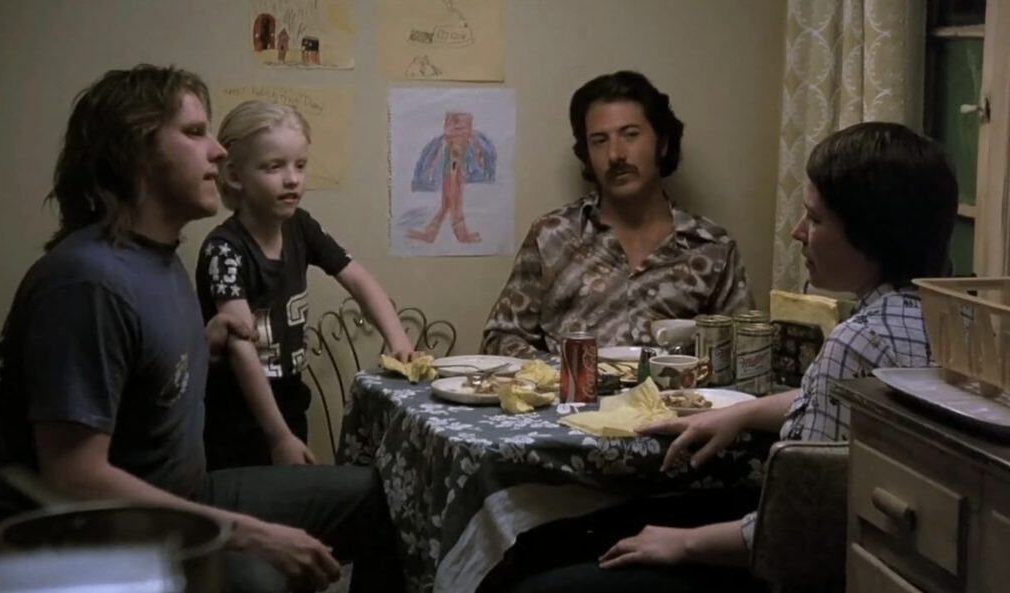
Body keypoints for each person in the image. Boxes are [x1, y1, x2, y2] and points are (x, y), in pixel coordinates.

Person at [0, 65, 404, 593]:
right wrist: (248, 532)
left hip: (188, 494)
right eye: (194, 132)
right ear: (136, 149)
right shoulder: (88, 282)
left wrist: (204, 344)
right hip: (111, 534)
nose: (218, 151)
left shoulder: (156, 260)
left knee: (382, 495)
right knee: (262, 578)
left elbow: (143, 379)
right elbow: (73, 476)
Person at [502, 122, 958, 592]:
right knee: (548, 545)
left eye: (816, 219)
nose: (799, 232)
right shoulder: (951, 322)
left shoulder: (858, 338)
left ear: (870, 232)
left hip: (788, 565)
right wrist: (742, 413)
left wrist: (683, 544)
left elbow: (797, 534)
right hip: (837, 547)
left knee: (540, 574)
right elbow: (850, 400)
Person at [196, 100, 418, 470]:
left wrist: (398, 342)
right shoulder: (224, 250)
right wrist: (277, 436)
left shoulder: (300, 226)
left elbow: (357, 278)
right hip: (239, 416)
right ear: (234, 175)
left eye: (300, 165)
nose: (292, 179)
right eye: (274, 166)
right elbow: (239, 345)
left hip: (290, 400)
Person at [480, 71, 754, 358]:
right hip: (570, 386)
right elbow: (500, 338)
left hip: (673, 387)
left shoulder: (711, 247)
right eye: (599, 140)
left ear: (663, 143)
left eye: (630, 135)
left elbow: (742, 350)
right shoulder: (553, 236)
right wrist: (558, 372)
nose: (615, 154)